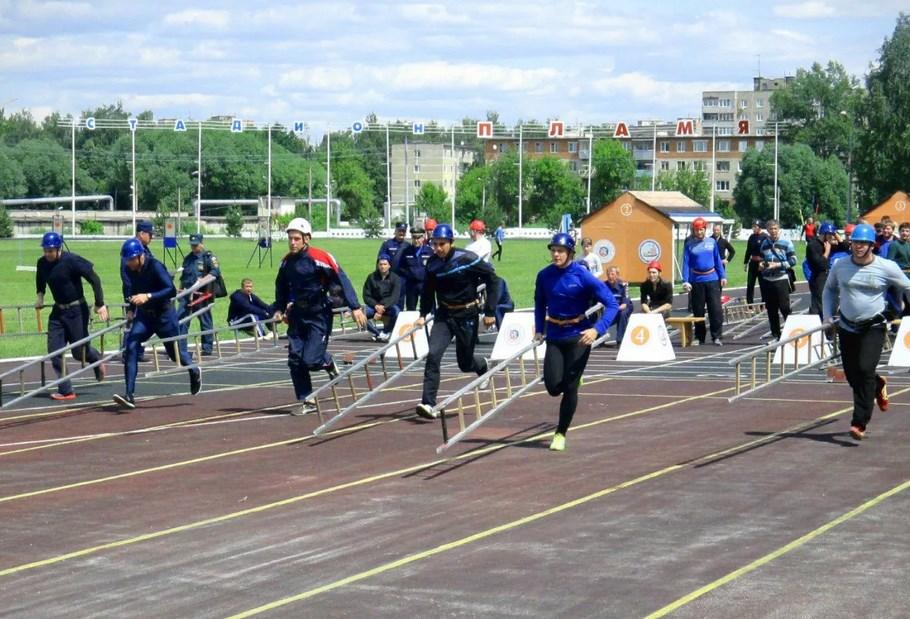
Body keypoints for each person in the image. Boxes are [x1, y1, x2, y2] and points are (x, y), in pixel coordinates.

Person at [823, 223, 910, 440]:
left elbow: (907, 286)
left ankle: (859, 422)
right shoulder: (840, 265)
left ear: (872, 245)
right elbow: (829, 290)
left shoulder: (886, 267)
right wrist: (826, 315)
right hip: (846, 326)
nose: (858, 247)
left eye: (863, 243)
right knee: (854, 376)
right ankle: (877, 383)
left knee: (864, 368)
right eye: (855, 243)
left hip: (873, 326)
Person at [273, 218, 366, 415]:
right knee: (294, 360)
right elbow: (280, 286)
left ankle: (327, 361)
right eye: (290, 238)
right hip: (298, 314)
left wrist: (355, 307)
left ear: (307, 238)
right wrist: (279, 308)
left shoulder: (320, 257)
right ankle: (307, 400)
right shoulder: (286, 262)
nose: (292, 243)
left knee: (311, 361)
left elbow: (342, 278)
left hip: (319, 314)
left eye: (297, 239)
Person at [534, 233, 618, 452]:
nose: (556, 254)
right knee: (553, 387)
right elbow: (539, 302)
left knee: (570, 388)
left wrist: (597, 329)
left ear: (570, 253)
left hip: (579, 337)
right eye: (553, 250)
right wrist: (539, 329)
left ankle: (560, 433)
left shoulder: (582, 275)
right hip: (554, 335)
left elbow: (611, 304)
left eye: (560, 251)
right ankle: (573, 381)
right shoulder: (544, 276)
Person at [414, 223, 500, 419]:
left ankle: (482, 366)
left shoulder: (467, 259)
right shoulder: (432, 264)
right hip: (444, 315)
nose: (437, 248)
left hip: (467, 314)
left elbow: (493, 279)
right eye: (434, 244)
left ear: (451, 242)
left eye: (441, 244)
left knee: (464, 362)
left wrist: (490, 311)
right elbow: (427, 291)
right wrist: (423, 314)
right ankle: (428, 403)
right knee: (433, 355)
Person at [115, 239, 201, 410]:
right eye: (127, 260)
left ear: (140, 256)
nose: (129, 263)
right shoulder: (129, 269)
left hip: (164, 316)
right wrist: (131, 308)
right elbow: (131, 289)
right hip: (145, 317)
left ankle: (193, 369)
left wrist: (148, 296)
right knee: (131, 346)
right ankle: (129, 394)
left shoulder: (155, 266)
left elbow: (169, 289)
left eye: (131, 259)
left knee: (174, 354)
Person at [35, 232, 109, 400]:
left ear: (58, 249)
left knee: (79, 353)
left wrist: (100, 303)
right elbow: (40, 279)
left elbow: (94, 279)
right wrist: (40, 296)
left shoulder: (72, 261)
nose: (47, 254)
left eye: (51, 251)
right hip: (58, 312)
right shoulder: (42, 263)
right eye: (45, 250)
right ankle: (66, 390)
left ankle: (95, 358)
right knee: (55, 351)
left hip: (77, 311)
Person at [682, 217, 727, 345]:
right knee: (698, 310)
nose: (699, 232)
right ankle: (699, 336)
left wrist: (722, 276)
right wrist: (685, 280)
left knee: (715, 309)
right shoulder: (689, 244)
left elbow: (717, 260)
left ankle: (716, 336)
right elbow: (685, 263)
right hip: (696, 280)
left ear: (705, 229)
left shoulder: (712, 242)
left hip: (712, 279)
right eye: (697, 230)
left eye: (701, 229)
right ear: (694, 230)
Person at [177, 233, 220, 356]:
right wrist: (181, 291)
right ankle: (181, 348)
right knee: (182, 320)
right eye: (192, 245)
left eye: (196, 245)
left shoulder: (208, 257)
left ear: (202, 243)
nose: (194, 247)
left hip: (202, 294)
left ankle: (207, 347)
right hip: (187, 293)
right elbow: (184, 276)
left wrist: (203, 280)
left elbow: (216, 272)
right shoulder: (188, 258)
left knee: (205, 320)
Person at [757, 219, 797, 341]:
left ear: (779, 229)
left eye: (775, 228)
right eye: (771, 229)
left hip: (781, 278)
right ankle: (776, 334)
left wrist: (778, 265)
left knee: (785, 307)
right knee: (771, 309)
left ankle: (792, 333)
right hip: (768, 279)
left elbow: (793, 260)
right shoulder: (764, 243)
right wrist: (761, 265)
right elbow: (762, 258)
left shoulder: (786, 242)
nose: (773, 231)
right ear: (767, 230)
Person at [122, 219, 155, 362]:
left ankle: (138, 352)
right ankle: (127, 353)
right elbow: (127, 274)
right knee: (132, 323)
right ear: (142, 233)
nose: (151, 237)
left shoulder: (145, 249)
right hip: (134, 293)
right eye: (150, 234)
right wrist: (131, 296)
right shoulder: (131, 247)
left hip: (145, 294)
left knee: (143, 323)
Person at [362, 254, 402, 342]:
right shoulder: (371, 277)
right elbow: (366, 295)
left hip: (389, 306)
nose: (382, 266)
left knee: (397, 312)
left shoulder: (396, 278)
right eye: (380, 264)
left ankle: (386, 332)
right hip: (374, 306)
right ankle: (378, 334)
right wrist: (376, 306)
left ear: (389, 265)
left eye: (385, 264)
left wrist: (382, 308)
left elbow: (395, 297)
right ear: (377, 265)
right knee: (360, 314)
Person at [805, 222, 837, 321]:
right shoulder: (813, 245)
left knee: (830, 302)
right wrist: (827, 251)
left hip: (827, 275)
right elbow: (819, 264)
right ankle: (821, 328)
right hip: (818, 277)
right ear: (824, 234)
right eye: (830, 234)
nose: (833, 237)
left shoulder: (827, 243)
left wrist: (836, 236)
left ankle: (825, 328)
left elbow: (844, 245)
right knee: (820, 304)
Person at [395, 226, 432, 311]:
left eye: (418, 238)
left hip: (425, 284)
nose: (416, 240)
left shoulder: (429, 251)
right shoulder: (406, 251)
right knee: (411, 309)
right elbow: (401, 267)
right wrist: (410, 274)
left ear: (423, 238)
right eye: (414, 238)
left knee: (428, 308)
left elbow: (433, 267)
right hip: (411, 285)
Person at [604, 266, 632, 343]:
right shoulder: (604, 285)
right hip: (611, 308)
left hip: (623, 307)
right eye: (608, 274)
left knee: (622, 314)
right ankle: (600, 338)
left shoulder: (623, 285)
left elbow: (624, 305)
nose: (610, 277)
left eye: (612, 274)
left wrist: (612, 311)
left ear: (617, 275)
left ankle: (620, 340)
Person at [744, 220, 768, 305]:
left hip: (762, 263)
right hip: (753, 263)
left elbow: (768, 251)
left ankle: (764, 303)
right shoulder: (752, 237)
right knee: (750, 284)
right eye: (753, 226)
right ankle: (750, 304)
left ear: (759, 227)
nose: (753, 228)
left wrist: (765, 262)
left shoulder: (765, 237)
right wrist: (746, 262)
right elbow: (748, 250)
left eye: (755, 226)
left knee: (763, 285)